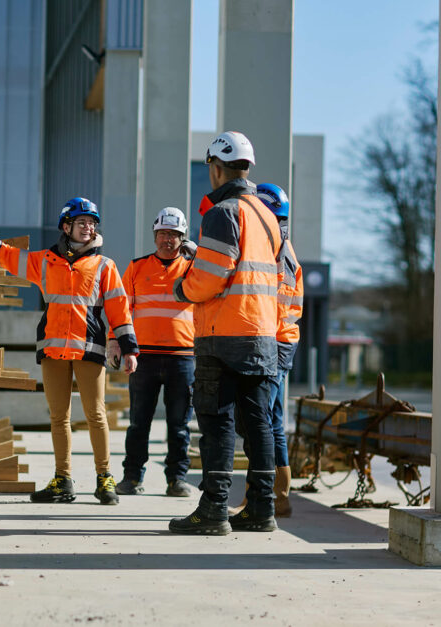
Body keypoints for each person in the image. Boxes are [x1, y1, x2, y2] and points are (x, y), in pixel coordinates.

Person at [0, 198, 138, 506]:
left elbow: (120, 309)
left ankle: (104, 478)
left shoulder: (104, 266)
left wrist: (128, 348)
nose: (89, 228)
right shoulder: (44, 261)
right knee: (59, 417)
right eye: (82, 222)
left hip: (89, 349)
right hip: (53, 350)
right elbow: (6, 256)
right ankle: (63, 479)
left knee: (96, 415)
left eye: (92, 223)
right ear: (66, 226)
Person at [168, 131, 281, 535]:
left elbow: (212, 276)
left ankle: (214, 509)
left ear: (215, 168)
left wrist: (183, 287)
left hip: (222, 333)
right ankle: (261, 509)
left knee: (216, 421)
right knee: (259, 424)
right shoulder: (268, 215)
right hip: (261, 333)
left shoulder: (222, 212)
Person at [110, 207, 197, 498]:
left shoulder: (192, 268)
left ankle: (177, 480)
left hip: (183, 358)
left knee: (179, 425)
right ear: (154, 235)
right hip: (142, 357)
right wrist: (117, 343)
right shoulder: (137, 267)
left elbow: (217, 280)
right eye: (162, 233)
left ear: (182, 238)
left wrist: (198, 256)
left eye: (173, 235)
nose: (167, 240)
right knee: (138, 423)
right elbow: (120, 309)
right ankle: (132, 478)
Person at [230, 183, 304, 518]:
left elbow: (271, 305)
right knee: (270, 418)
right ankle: (279, 496)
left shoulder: (277, 254)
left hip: (273, 341)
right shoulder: (283, 251)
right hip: (278, 340)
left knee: (259, 419)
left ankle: (264, 496)